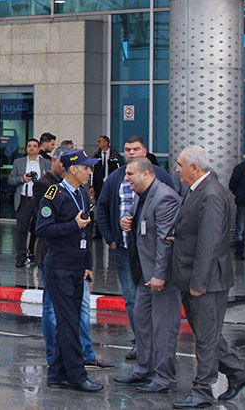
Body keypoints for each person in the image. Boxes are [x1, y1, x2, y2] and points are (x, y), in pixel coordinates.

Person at [171, 146, 245, 408]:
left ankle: (203, 390)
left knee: (206, 338)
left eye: (181, 165)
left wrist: (199, 282)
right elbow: (195, 232)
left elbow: (209, 242)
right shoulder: (198, 190)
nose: (177, 170)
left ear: (195, 168)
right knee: (210, 334)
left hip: (207, 280)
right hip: (195, 275)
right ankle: (239, 373)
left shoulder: (212, 194)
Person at [96, 135, 175, 361]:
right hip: (124, 249)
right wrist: (111, 236)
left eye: (136, 149)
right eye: (127, 149)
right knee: (132, 298)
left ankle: (155, 349)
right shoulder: (116, 177)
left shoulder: (160, 178)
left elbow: (170, 215)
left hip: (151, 252)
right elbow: (102, 207)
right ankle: (139, 343)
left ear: (145, 151)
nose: (131, 153)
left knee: (155, 301)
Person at [33, 144, 112, 370]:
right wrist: (72, 225)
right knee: (58, 314)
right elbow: (43, 228)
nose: (90, 173)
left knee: (78, 313)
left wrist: (88, 263)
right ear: (73, 169)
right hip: (58, 263)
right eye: (86, 169)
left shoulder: (83, 195)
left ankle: (72, 360)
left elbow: (85, 232)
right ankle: (60, 362)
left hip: (77, 264)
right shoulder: (52, 192)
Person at [114, 157, 182, 394]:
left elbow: (166, 241)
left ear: (145, 174)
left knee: (163, 328)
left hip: (160, 276)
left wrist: (159, 275)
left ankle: (165, 378)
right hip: (143, 273)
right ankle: (145, 369)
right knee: (142, 322)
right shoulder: (142, 195)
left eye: (130, 174)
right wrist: (125, 222)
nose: (126, 178)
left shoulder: (164, 197)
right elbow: (137, 220)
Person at [9, 138, 50, 267]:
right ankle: (20, 257)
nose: (32, 148)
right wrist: (22, 179)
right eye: (29, 146)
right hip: (24, 199)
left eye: (34, 146)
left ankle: (37, 256)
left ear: (38, 149)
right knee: (22, 230)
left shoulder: (46, 163)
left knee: (39, 230)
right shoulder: (18, 162)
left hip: (39, 201)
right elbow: (11, 180)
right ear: (26, 148)